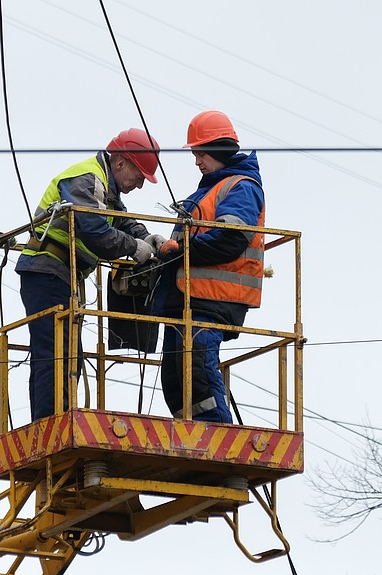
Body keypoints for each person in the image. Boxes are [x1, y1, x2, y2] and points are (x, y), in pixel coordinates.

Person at [16, 128, 163, 422]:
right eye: (139, 176)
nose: (139, 185)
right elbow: (94, 231)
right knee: (58, 354)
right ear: (120, 163)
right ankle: (49, 425)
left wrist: (149, 238)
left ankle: (52, 421)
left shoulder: (105, 188)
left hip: (59, 275)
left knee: (67, 355)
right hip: (47, 270)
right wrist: (136, 248)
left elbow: (120, 221)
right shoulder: (87, 178)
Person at [154, 110, 265, 423]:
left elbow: (231, 239)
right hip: (188, 299)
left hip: (213, 298)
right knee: (175, 381)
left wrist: (183, 249)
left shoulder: (240, 188)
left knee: (198, 368)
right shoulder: (207, 191)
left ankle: (219, 437)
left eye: (200, 153)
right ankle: (191, 436)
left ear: (217, 150)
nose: (197, 161)